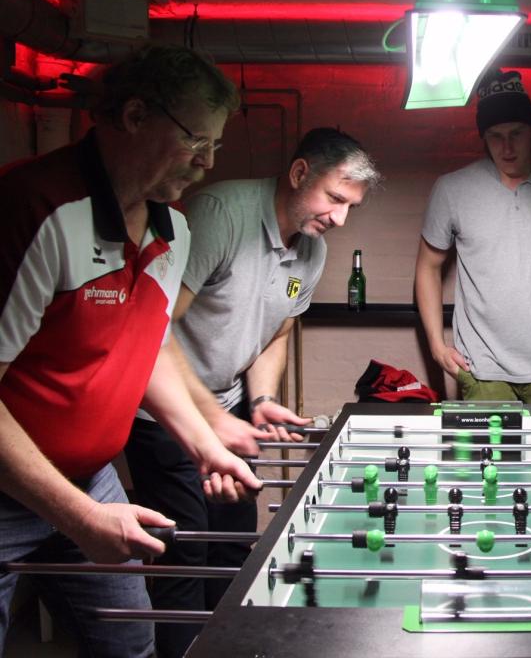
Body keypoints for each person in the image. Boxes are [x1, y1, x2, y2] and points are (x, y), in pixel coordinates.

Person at [0, 44, 261, 657]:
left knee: (131, 645)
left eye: (216, 147)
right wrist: (77, 515)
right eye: (197, 141)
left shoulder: (173, 230)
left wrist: (205, 443)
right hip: (9, 490)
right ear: (135, 116)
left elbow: (149, 346)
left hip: (88, 481)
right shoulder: (37, 208)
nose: (206, 164)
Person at [123, 127, 379, 656]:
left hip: (230, 410)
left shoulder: (312, 250)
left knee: (234, 549)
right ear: (299, 173)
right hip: (165, 415)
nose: (339, 219)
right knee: (185, 555)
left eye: (350, 206)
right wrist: (206, 422)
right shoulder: (219, 213)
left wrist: (259, 401)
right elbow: (155, 330)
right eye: (335, 199)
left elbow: (276, 331)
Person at [415, 69, 531, 403]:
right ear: (483, 137)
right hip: (483, 370)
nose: (506, 147)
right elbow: (427, 266)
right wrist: (436, 345)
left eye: (516, 133)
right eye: (495, 136)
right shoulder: (453, 189)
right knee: (485, 457)